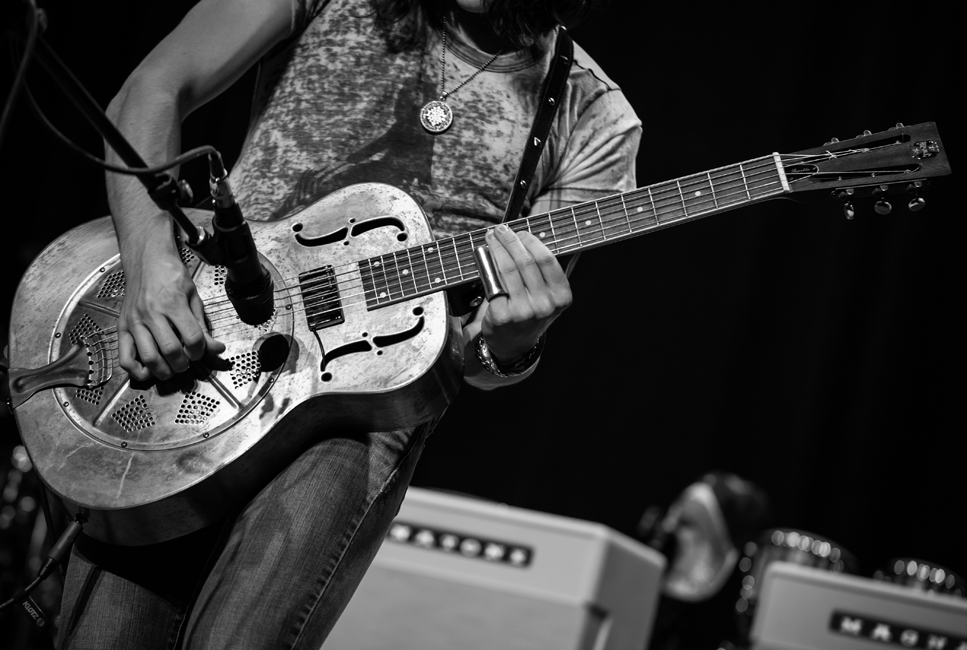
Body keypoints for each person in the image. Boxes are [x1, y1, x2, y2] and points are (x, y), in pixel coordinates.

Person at [55, 0, 641, 647]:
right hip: (201, 351)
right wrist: (149, 267)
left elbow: (480, 359)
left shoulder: (593, 117)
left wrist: (512, 343)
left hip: (361, 420)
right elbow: (150, 91)